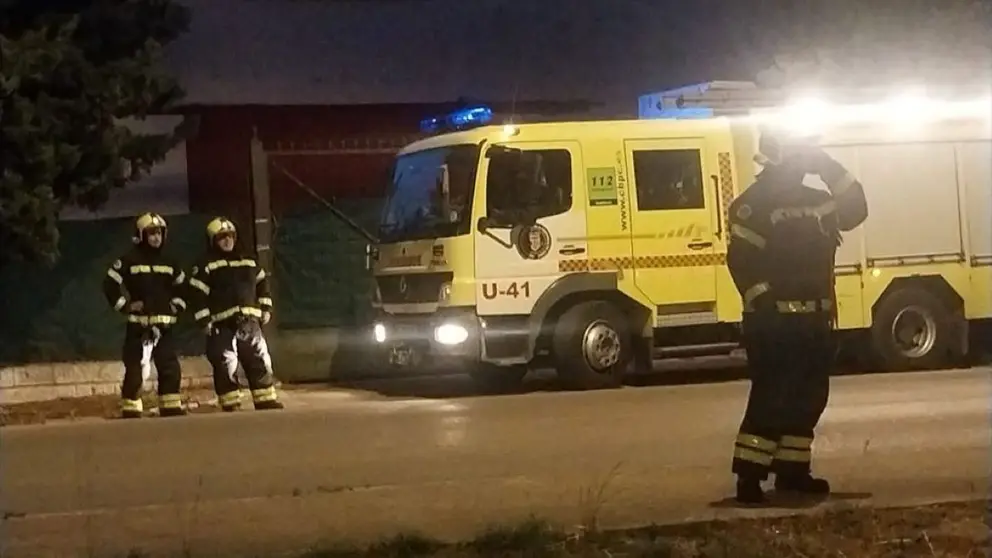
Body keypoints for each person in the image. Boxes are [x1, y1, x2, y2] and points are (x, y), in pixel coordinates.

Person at [727, 127, 868, 504]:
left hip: (816, 320)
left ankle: (792, 472)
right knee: (771, 398)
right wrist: (766, 305)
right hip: (774, 324)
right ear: (780, 158)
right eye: (800, 155)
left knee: (809, 398)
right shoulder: (751, 205)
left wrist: (826, 165)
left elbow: (856, 209)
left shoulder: (819, 199)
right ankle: (749, 477)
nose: (804, 163)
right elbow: (741, 263)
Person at [187, 216, 283, 412]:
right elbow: (197, 295)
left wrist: (266, 307)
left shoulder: (248, 261)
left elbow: (262, 284)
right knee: (225, 362)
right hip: (222, 324)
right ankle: (230, 402)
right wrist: (204, 320)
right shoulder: (206, 265)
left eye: (231, 236)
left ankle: (265, 398)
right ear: (213, 240)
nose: (227, 240)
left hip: (250, 322)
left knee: (258, 358)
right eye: (222, 237)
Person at [102, 212, 188, 418]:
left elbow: (183, 289)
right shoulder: (129, 260)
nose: (156, 237)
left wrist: (176, 306)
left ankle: (170, 405)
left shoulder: (170, 261)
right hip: (138, 326)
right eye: (151, 233)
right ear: (141, 236)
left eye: (159, 233)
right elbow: (110, 284)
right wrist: (126, 306)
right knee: (135, 366)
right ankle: (131, 406)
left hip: (165, 326)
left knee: (169, 366)